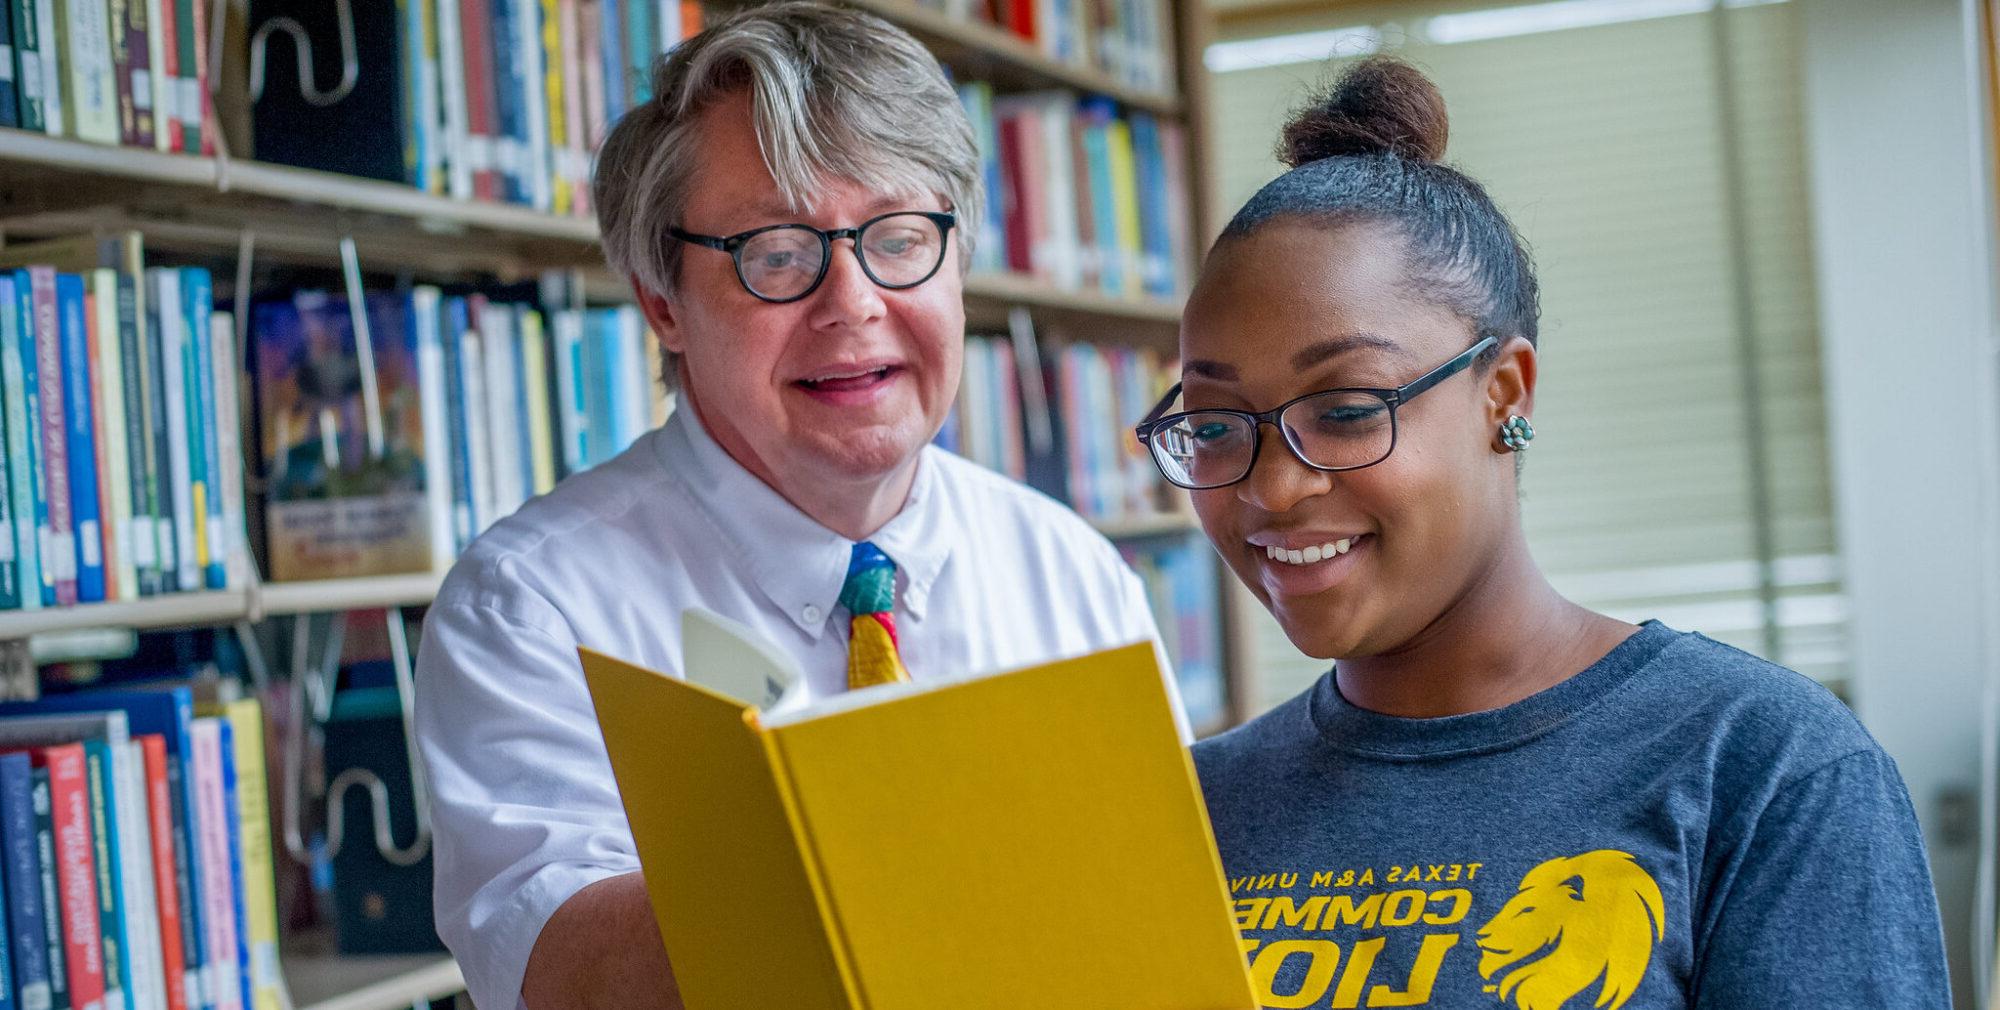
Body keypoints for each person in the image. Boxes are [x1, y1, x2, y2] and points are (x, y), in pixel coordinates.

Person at [412, 5, 1189, 1008]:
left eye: (900, 238)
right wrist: (902, 859)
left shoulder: (1069, 568)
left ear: (955, 260)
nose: (853, 302)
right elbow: (560, 969)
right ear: (660, 299)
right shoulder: (529, 604)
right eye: (778, 254)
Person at [1138, 58, 1951, 1007]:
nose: (1274, 488)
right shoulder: (1192, 811)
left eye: (1349, 409)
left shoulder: (1764, 766)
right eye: (1215, 424)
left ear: (1505, 394)